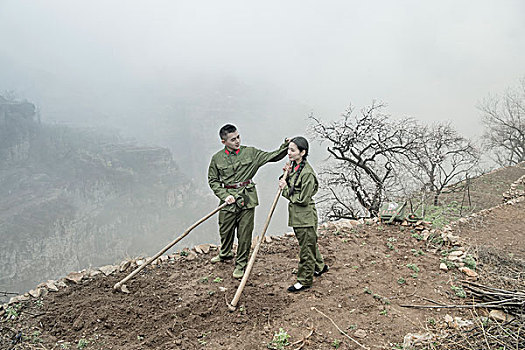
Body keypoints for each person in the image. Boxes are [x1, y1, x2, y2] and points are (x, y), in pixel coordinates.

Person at [208, 124, 289, 279]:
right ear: (223, 141)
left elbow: (272, 156)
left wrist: (285, 146)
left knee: (245, 233)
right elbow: (213, 181)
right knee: (225, 229)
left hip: (247, 199)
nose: (237, 141)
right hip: (228, 199)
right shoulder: (217, 158)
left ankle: (241, 264)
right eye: (232, 139)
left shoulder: (251, 153)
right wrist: (224, 195)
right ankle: (225, 254)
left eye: (238, 137)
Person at [278, 136, 328, 292]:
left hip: (305, 217)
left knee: (306, 249)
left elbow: (302, 199)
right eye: (289, 149)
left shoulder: (307, 173)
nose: (289, 153)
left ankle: (304, 280)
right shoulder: (296, 165)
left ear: (303, 152)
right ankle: (320, 267)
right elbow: (293, 184)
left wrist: (284, 189)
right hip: (297, 216)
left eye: (292, 150)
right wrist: (285, 175)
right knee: (308, 243)